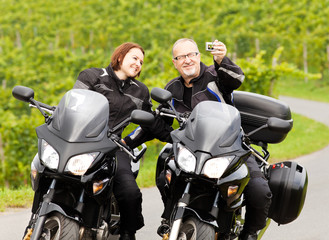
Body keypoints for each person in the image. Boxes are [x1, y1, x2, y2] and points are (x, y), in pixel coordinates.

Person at [163, 38, 272, 240]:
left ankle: (249, 233)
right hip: (192, 149)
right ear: (174, 62)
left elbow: (236, 79)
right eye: (181, 57)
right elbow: (161, 118)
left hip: (229, 146)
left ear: (198, 56)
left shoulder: (216, 76)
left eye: (191, 55)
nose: (187, 60)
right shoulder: (171, 88)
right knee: (165, 171)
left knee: (259, 190)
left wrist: (222, 60)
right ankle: (168, 217)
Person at [73, 42, 172, 240]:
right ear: (120, 56)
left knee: (130, 192)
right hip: (81, 142)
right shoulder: (92, 76)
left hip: (113, 146)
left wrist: (178, 137)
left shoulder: (140, 91)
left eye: (141, 62)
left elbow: (150, 124)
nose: (138, 64)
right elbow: (73, 105)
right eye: (134, 58)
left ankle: (128, 232)